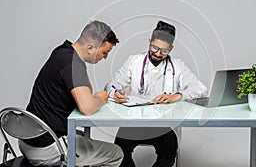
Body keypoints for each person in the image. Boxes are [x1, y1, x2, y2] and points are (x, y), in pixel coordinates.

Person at [19, 21, 124, 166]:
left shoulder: (63, 52)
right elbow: (87, 107)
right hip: (46, 147)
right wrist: (104, 97)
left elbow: (87, 91)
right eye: (104, 52)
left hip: (28, 139)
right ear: (90, 48)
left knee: (81, 137)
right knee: (115, 153)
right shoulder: (73, 64)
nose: (105, 57)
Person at [105, 20, 208, 167]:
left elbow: (201, 88)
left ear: (171, 48)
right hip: (134, 123)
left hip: (163, 125)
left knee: (168, 153)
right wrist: (115, 92)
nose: (158, 53)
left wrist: (177, 96)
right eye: (155, 47)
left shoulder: (178, 66)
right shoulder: (133, 62)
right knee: (119, 153)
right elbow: (111, 85)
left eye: (164, 51)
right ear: (149, 42)